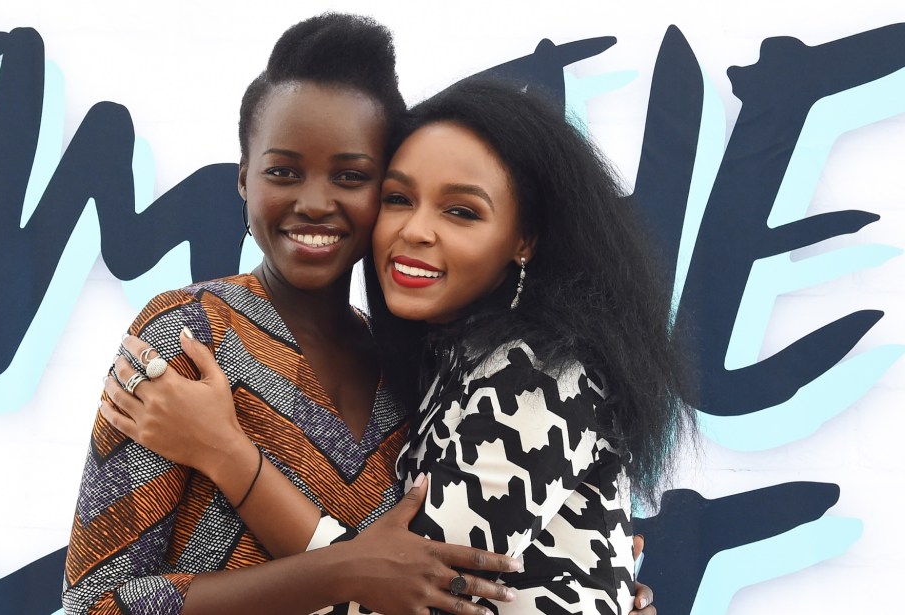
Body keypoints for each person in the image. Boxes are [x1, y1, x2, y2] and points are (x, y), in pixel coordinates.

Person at [73, 12, 661, 615]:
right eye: (282, 171)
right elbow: (92, 603)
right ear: (244, 178)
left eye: (352, 176)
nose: (314, 202)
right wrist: (344, 573)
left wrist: (589, 580)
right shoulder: (186, 338)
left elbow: (421, 588)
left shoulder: (409, 373)